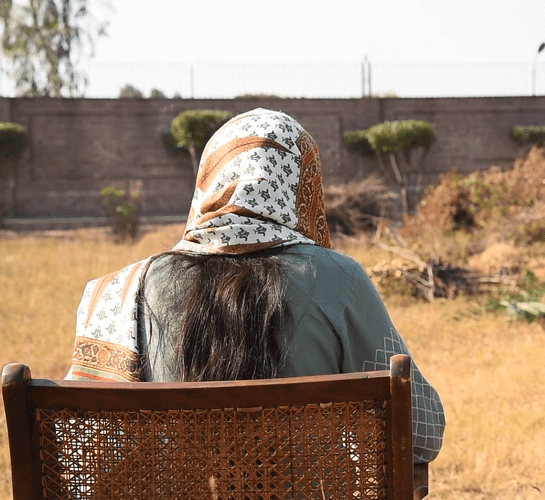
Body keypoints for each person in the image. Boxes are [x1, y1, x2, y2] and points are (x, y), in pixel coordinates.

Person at [67, 107, 445, 463]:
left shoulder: (129, 290)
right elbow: (421, 436)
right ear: (303, 189)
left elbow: (90, 450)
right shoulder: (337, 278)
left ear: (209, 180)